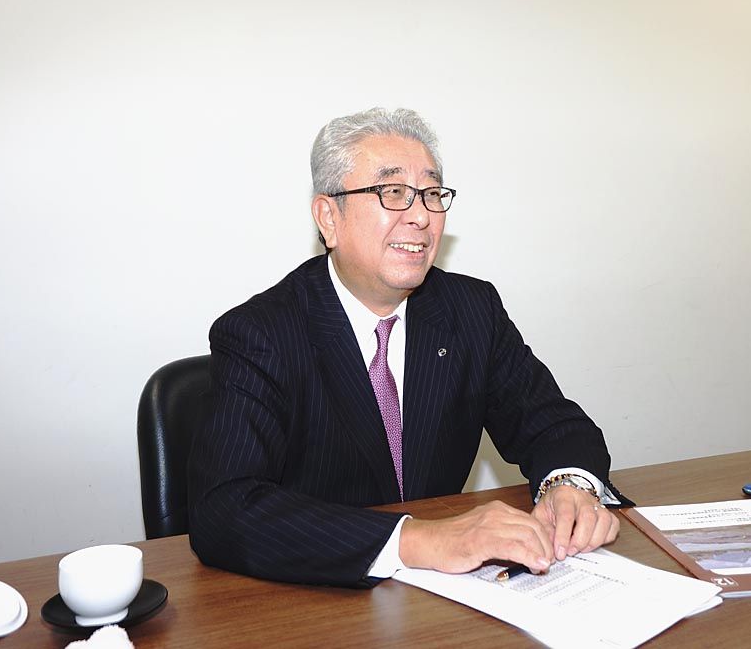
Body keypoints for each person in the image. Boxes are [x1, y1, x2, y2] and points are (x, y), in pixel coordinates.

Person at [188, 107, 630, 588]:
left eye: (431, 194)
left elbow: (554, 425)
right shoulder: (260, 333)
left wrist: (569, 485)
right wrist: (421, 540)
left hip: (450, 598)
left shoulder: (470, 310)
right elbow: (224, 510)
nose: (421, 216)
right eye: (393, 192)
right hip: (315, 597)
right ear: (329, 217)